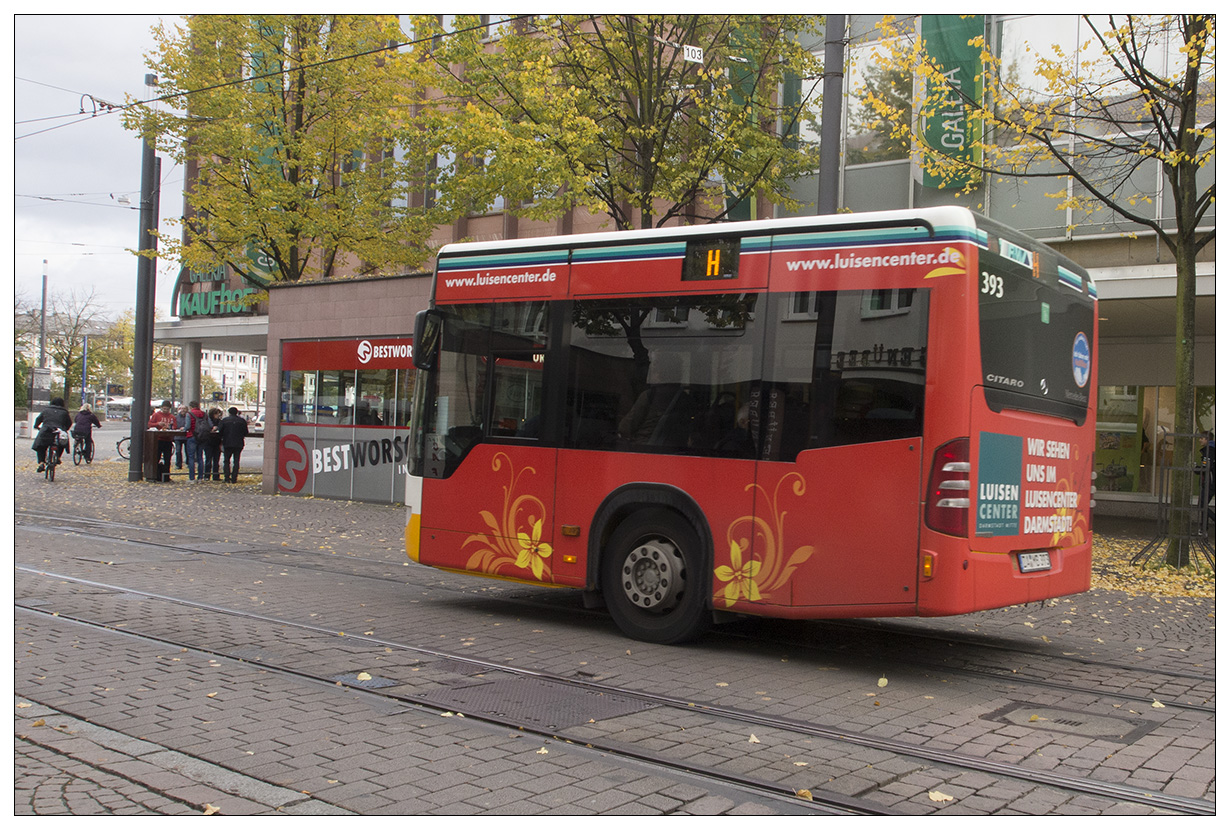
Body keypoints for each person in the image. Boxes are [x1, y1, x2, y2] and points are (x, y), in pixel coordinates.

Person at [33, 397, 72, 472]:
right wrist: (65, 429)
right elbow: (69, 423)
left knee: (41, 446)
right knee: (61, 443)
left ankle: (41, 462)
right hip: (59, 431)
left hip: (46, 431)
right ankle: (57, 457)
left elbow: (38, 419)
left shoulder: (46, 410)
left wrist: (36, 426)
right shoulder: (64, 412)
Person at [148, 400, 178, 480]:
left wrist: (171, 427)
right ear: (161, 408)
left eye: (167, 409)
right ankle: (156, 475)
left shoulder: (172, 417)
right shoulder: (156, 415)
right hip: (158, 439)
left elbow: (174, 427)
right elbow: (149, 424)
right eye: (164, 409)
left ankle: (166, 476)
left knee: (167, 459)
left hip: (168, 440)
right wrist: (158, 424)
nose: (165, 410)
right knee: (156, 457)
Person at [219, 406, 250, 483]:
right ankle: (234, 478)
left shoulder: (225, 420)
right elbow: (246, 432)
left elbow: (220, 431)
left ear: (229, 412)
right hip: (238, 443)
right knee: (236, 461)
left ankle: (226, 477)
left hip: (227, 442)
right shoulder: (242, 421)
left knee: (226, 461)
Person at [185, 400, 208, 481]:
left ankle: (192, 478)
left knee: (191, 457)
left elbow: (187, 427)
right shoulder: (204, 414)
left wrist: (183, 429)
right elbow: (209, 425)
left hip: (192, 436)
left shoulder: (189, 414)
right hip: (202, 437)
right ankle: (200, 477)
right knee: (200, 457)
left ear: (190, 407)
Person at [201, 407, 224, 481]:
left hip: (214, 442)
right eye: (217, 414)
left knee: (215, 460)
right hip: (210, 441)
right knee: (209, 459)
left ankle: (213, 475)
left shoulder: (218, 421)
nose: (218, 415)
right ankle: (208, 475)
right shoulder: (208, 422)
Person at [172, 404, 191, 469]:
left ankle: (188, 463)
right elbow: (173, 426)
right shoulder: (175, 418)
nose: (182, 410)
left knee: (188, 451)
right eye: (181, 408)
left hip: (187, 436)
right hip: (178, 436)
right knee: (178, 451)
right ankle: (178, 464)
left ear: (187, 410)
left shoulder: (189, 417)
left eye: (184, 408)